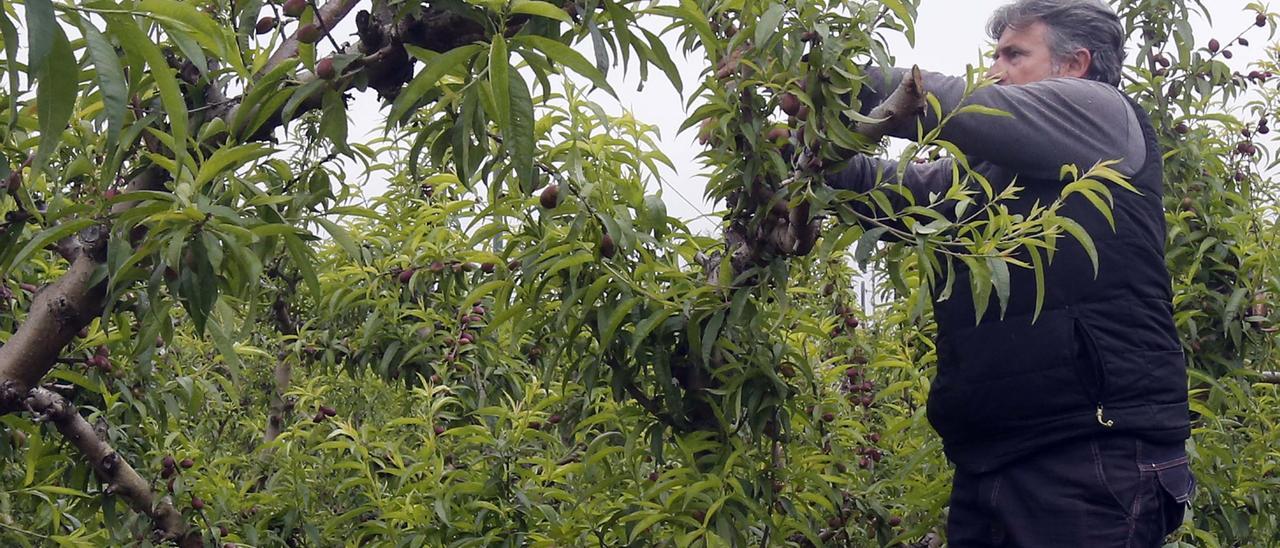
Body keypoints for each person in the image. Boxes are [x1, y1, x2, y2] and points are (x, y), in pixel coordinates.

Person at [823, 1, 1194, 545]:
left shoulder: (1104, 113)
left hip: (1090, 454)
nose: (994, 70)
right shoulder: (991, 171)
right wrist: (817, 160)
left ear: (1075, 65)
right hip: (993, 454)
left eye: (1014, 54)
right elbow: (907, 195)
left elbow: (968, 104)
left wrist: (833, 79)